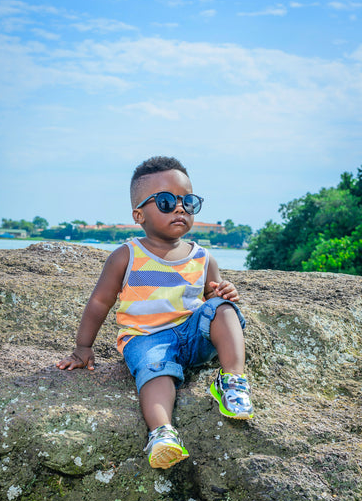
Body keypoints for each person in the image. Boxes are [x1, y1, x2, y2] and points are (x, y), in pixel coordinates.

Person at [57, 156, 253, 470]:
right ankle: (162, 432)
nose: (179, 208)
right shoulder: (127, 255)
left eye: (187, 202)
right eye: (165, 201)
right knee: (155, 372)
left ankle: (231, 380)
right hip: (147, 340)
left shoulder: (203, 258)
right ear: (139, 215)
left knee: (225, 309)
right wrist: (83, 348)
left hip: (190, 336)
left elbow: (210, 301)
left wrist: (223, 293)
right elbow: (99, 303)